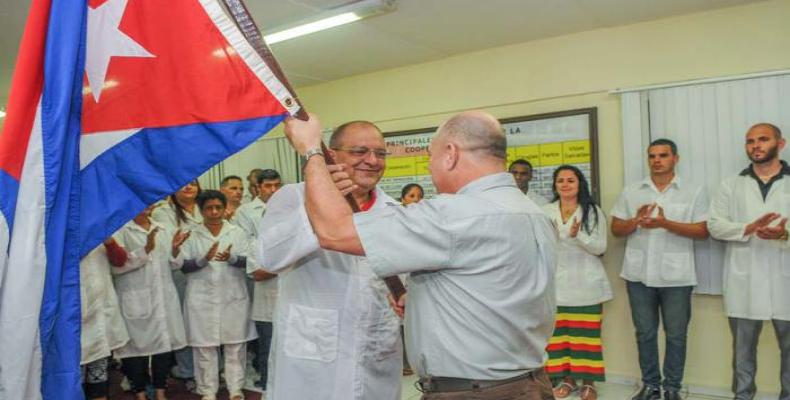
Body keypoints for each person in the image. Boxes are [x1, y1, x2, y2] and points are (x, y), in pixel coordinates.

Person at [280, 111, 557, 400]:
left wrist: (312, 152)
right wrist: (427, 301)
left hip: (475, 393)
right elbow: (500, 288)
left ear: (450, 154)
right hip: (530, 383)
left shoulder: (454, 214)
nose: (429, 168)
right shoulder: (533, 212)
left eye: (430, 157)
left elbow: (334, 232)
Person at [257, 121, 403, 400]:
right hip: (312, 360)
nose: (372, 161)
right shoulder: (294, 197)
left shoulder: (395, 211)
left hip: (377, 355)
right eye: (360, 151)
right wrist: (321, 203)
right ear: (332, 156)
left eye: (380, 154)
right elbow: (269, 258)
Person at [610, 138, 709, 400]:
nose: (657, 160)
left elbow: (702, 231)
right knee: (645, 333)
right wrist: (636, 221)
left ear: (675, 158)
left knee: (676, 335)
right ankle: (651, 385)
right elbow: (617, 230)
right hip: (638, 276)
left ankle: (673, 389)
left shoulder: (693, 191)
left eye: (663, 155)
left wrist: (666, 223)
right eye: (652, 156)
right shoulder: (633, 191)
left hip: (677, 278)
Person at [708, 123, 790, 400]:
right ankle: (743, 396)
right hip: (744, 279)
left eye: (763, 139)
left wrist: (785, 233)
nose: (755, 145)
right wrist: (747, 228)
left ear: (780, 144)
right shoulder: (730, 185)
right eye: (750, 141)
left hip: (785, 277)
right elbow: (715, 226)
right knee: (742, 350)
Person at [173, 190, 257, 400]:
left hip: (233, 296)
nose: (214, 212)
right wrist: (203, 260)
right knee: (204, 348)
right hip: (201, 298)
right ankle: (207, 390)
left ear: (224, 208)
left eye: (218, 207)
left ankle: (235, 389)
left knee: (235, 346)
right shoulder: (191, 233)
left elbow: (249, 261)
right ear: (201, 211)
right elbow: (183, 266)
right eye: (209, 208)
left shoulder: (237, 232)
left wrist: (231, 258)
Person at [542, 165, 612, 400]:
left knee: (586, 338)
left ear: (579, 183)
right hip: (557, 286)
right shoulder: (546, 211)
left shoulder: (592, 211)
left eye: (570, 180)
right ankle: (567, 379)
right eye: (560, 180)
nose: (565, 184)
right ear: (555, 185)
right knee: (559, 337)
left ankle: (589, 383)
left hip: (586, 284)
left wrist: (578, 235)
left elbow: (600, 247)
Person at [111, 204, 190, 400]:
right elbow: (116, 267)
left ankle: (161, 391)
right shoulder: (120, 229)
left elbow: (176, 264)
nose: (146, 205)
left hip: (163, 298)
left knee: (163, 346)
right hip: (134, 298)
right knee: (134, 350)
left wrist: (174, 249)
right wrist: (145, 250)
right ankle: (140, 392)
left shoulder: (163, 228)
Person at [151, 180, 202, 384]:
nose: (188, 187)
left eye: (193, 184)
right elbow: (170, 244)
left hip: (206, 269)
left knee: (204, 323)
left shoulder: (205, 207)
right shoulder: (163, 212)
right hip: (179, 272)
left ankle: (209, 369)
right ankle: (187, 369)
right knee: (184, 323)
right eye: (183, 184)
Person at [236, 168, 282, 392]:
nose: (273, 190)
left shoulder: (290, 207)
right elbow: (246, 246)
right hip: (262, 282)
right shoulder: (247, 211)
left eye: (276, 186)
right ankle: (266, 381)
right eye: (268, 186)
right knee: (267, 339)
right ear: (258, 188)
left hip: (289, 287)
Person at [80, 241, 130, 400]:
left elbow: (120, 260)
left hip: (102, 311)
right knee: (73, 375)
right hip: (75, 313)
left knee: (99, 371)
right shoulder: (61, 230)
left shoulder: (102, 227)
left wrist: (110, 242)